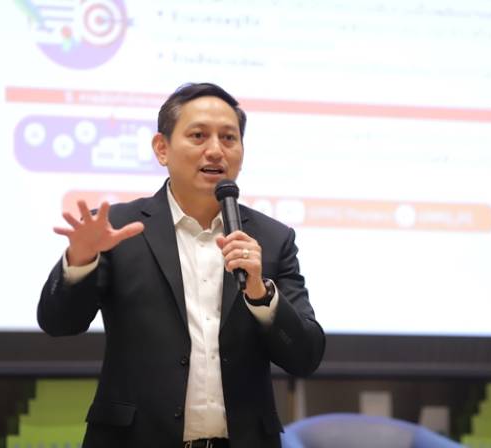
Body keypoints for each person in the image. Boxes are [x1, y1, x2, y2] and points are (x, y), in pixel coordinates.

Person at [38, 82, 325, 448]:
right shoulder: (120, 229)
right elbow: (59, 323)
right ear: (162, 148)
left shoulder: (271, 239)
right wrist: (80, 261)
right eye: (198, 135)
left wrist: (260, 294)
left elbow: (305, 356)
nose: (216, 150)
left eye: (229, 138)